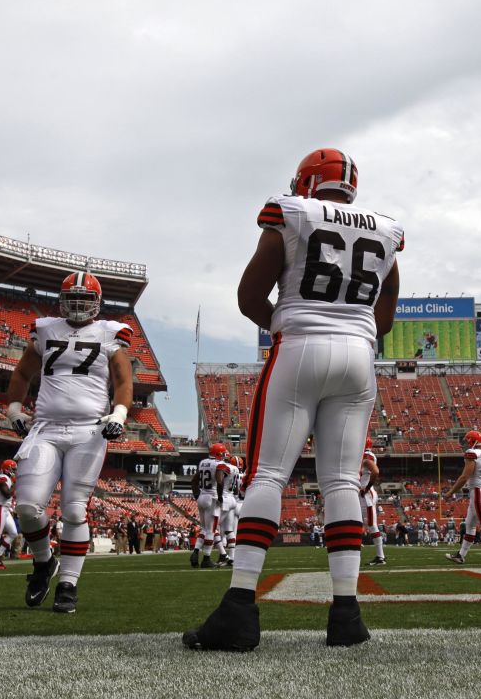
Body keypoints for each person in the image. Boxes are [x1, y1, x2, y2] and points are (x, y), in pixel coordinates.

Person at [184, 148, 403, 651]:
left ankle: (239, 607)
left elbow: (248, 295)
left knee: (268, 475)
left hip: (301, 347)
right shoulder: (388, 229)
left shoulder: (294, 210)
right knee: (343, 480)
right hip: (359, 355)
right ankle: (346, 614)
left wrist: (290, 322)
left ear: (306, 180)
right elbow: (386, 313)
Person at [4, 272, 135, 613]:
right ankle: (44, 561)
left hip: (89, 431)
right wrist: (15, 408)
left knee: (75, 509)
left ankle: (68, 585)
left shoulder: (109, 332)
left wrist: (119, 413)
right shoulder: (46, 329)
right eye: (71, 298)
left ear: (97, 302)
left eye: (84, 299)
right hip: (45, 428)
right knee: (28, 508)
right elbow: (22, 373)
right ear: (61, 300)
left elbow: (123, 380)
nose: (77, 305)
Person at [442, 430, 481, 566]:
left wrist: (450, 492)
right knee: (470, 525)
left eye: (467, 440)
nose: (465, 443)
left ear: (473, 441)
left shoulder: (473, 454)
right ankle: (461, 555)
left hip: (478, 492)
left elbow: (464, 477)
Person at [191, 443, 233, 569]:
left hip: (202, 497)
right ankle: (206, 559)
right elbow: (220, 481)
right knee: (211, 530)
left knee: (204, 529)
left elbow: (194, 480)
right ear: (219, 453)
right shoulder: (219, 464)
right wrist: (220, 497)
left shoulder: (203, 462)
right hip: (212, 498)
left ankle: (195, 552)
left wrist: (196, 495)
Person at [359, 439, 386, 566]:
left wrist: (367, 487)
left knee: (372, 525)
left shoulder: (367, 455)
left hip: (366, 495)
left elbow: (375, 471)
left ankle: (380, 557)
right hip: (363, 494)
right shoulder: (365, 455)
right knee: (361, 523)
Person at [217, 455, 246, 565]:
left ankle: (224, 555)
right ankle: (232, 556)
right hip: (242, 504)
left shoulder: (230, 471)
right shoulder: (245, 475)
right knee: (233, 531)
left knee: (224, 531)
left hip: (231, 500)